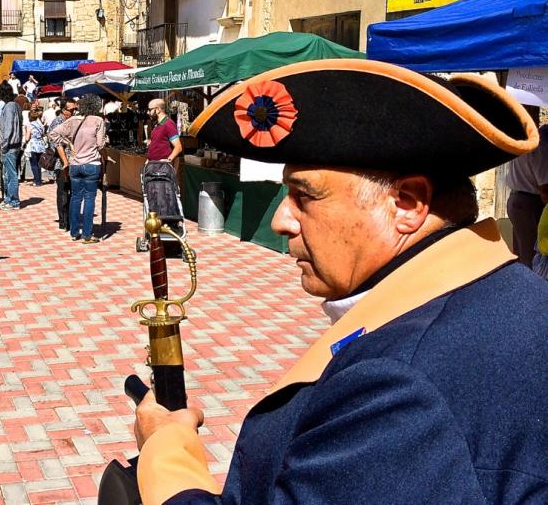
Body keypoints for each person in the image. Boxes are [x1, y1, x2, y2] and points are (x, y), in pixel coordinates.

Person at [132, 60, 548, 504]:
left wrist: (166, 448)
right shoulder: (516, 296)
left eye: (304, 195)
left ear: (406, 204)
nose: (280, 220)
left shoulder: (398, 383)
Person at [48, 93, 106, 243]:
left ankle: (74, 232)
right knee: (89, 199)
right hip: (91, 163)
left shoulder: (73, 120)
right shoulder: (98, 120)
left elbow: (52, 134)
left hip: (75, 164)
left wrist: (69, 143)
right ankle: (87, 234)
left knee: (75, 198)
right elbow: (100, 145)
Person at [504, 122, 548, 267]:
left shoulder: (529, 141)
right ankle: (531, 288)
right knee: (532, 255)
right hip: (529, 203)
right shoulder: (542, 147)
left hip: (517, 201)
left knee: (522, 252)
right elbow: (545, 189)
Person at [49, 99, 76, 231]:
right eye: (71, 110)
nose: (74, 112)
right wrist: (65, 161)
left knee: (72, 192)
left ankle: (70, 220)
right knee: (63, 192)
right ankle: (63, 221)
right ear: (64, 110)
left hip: (73, 162)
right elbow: (54, 143)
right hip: (61, 163)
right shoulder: (57, 122)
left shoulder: (72, 122)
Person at [0, 89, 25, 211]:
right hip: (15, 144)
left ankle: (13, 201)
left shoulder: (9, 107)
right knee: (8, 174)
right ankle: (9, 198)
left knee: (11, 174)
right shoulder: (17, 106)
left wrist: (4, 145)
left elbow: (8, 127)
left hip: (10, 145)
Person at [145, 97, 182, 165]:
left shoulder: (168, 124)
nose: (147, 112)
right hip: (152, 166)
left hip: (161, 169)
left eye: (149, 109)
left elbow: (178, 147)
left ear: (158, 109)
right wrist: (148, 159)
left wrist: (168, 160)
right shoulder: (157, 124)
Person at [25, 105, 47, 186]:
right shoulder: (40, 125)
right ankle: (39, 180)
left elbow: (27, 138)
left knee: (33, 164)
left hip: (33, 145)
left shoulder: (29, 125)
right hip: (40, 145)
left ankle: (36, 181)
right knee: (39, 163)